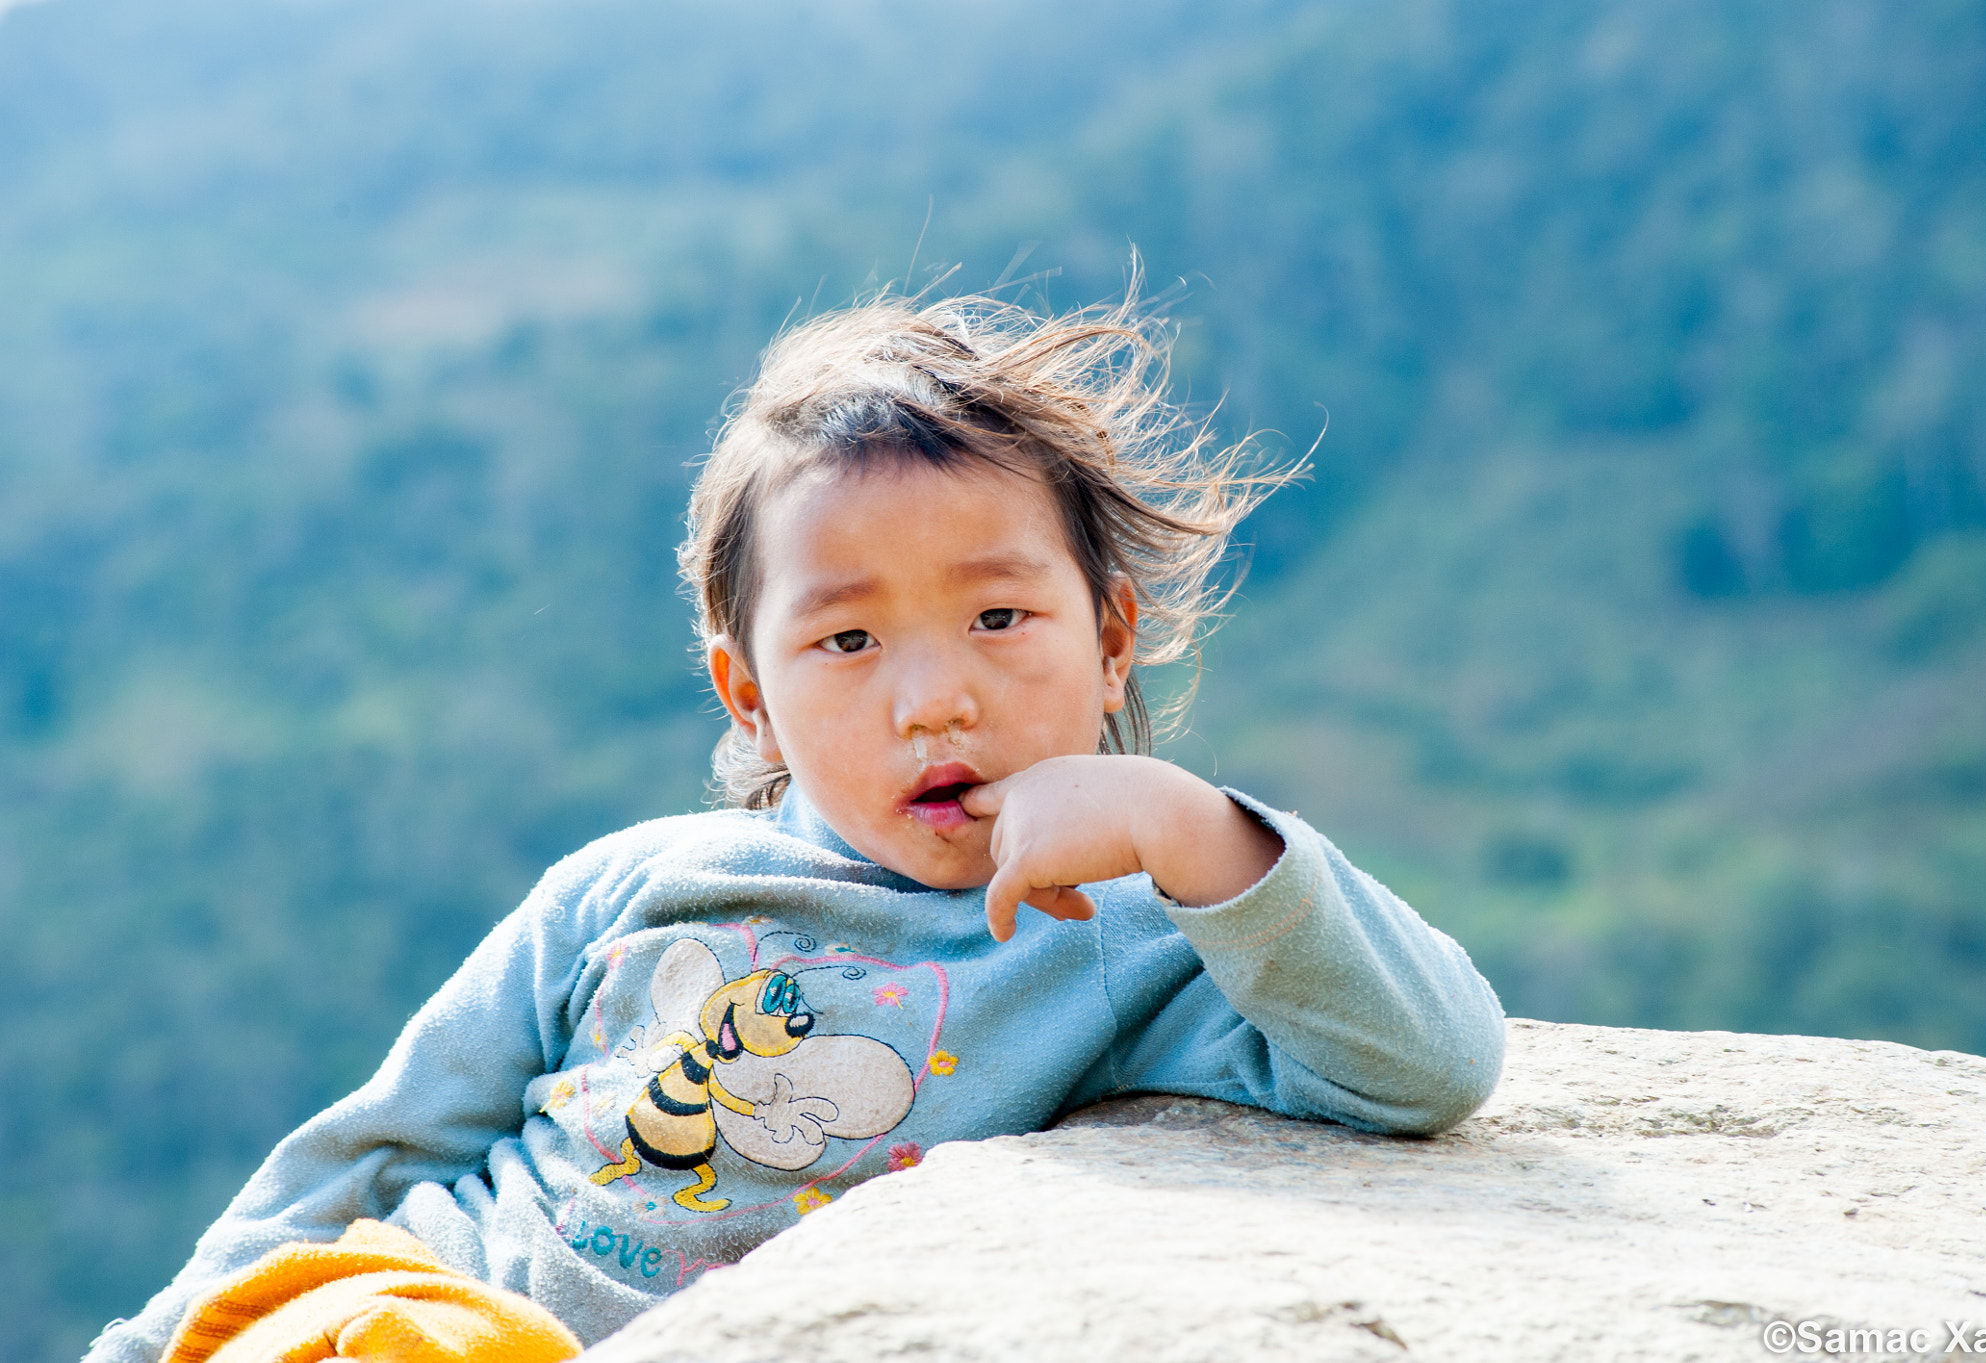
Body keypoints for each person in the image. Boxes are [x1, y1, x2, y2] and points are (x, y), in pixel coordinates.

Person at [88, 291, 1506, 1362]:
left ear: (1112, 638)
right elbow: (377, 1149)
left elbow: (1428, 1063)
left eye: (1000, 616)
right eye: (846, 641)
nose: (935, 700)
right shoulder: (630, 885)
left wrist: (1194, 831)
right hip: (412, 1308)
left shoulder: (1125, 947)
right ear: (749, 695)